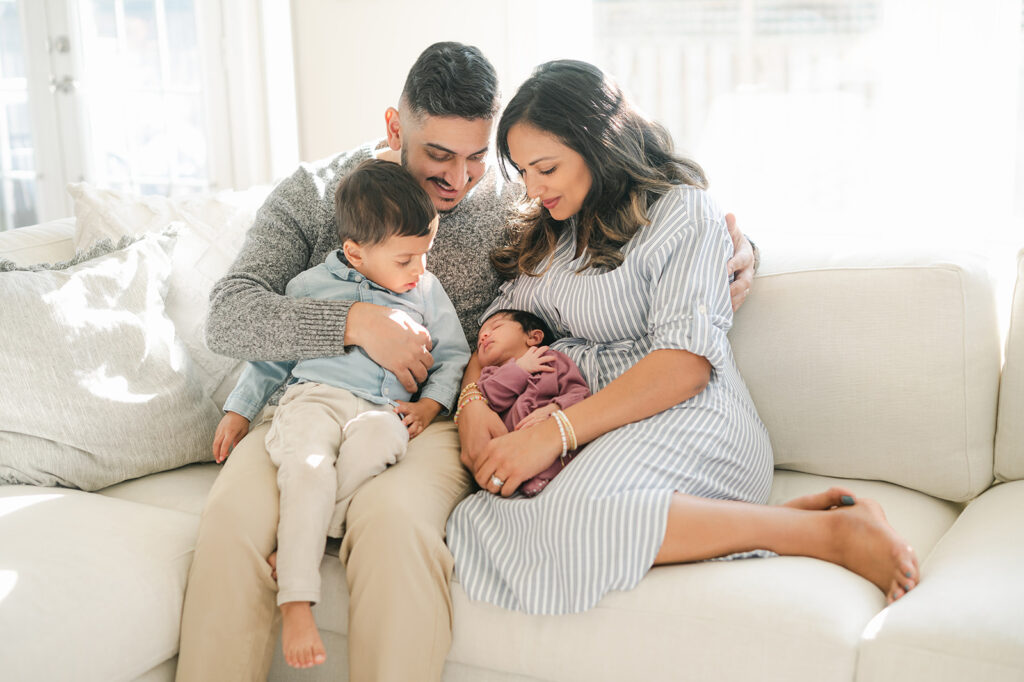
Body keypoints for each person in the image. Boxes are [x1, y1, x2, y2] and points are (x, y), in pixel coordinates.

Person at [176, 42, 758, 682]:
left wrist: (739, 250)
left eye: (478, 156)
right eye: (439, 158)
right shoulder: (315, 193)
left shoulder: (513, 195)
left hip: (432, 416)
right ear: (396, 127)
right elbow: (230, 314)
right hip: (309, 400)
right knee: (232, 525)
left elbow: (616, 228)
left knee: (394, 526)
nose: (459, 179)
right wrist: (352, 322)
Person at [447, 59, 919, 617]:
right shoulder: (552, 230)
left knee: (578, 515)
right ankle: (808, 517)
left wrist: (556, 433)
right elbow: (496, 332)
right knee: (479, 520)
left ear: (598, 144)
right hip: (596, 423)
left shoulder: (683, 211)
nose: (532, 186)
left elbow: (685, 364)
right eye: (523, 171)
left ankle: (829, 536)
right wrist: (472, 403)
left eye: (545, 167)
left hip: (684, 410)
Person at [210, 159, 470, 668]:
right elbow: (270, 358)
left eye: (426, 254)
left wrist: (429, 404)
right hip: (313, 399)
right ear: (355, 252)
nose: (420, 270)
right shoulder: (308, 286)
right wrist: (239, 411)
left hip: (380, 410)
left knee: (381, 445)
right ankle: (298, 603)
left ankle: (299, 541)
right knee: (308, 469)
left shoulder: (426, 290)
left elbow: (454, 354)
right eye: (405, 259)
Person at [467, 308, 590, 496]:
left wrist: (554, 408)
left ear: (533, 337)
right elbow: (493, 399)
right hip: (512, 453)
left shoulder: (552, 360)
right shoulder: (488, 376)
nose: (483, 336)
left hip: (553, 440)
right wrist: (519, 369)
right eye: (479, 339)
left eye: (496, 327)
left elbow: (579, 393)